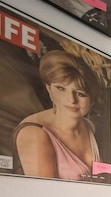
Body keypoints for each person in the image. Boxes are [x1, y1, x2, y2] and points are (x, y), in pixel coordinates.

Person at [12, 50, 103, 182]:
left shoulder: (90, 127)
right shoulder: (34, 134)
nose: (71, 99)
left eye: (80, 93)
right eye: (61, 88)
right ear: (49, 88)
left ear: (91, 100)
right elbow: (43, 195)